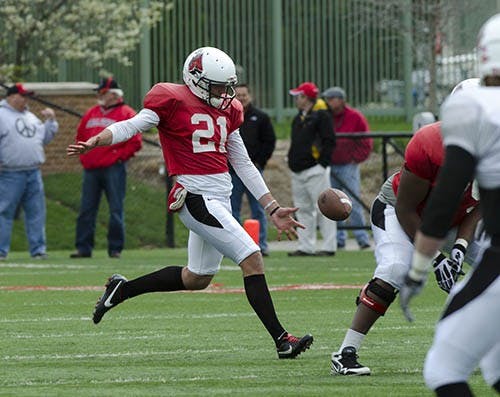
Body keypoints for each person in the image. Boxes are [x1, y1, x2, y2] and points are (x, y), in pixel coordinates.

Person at [67, 47, 313, 359]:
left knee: (197, 277)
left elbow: (244, 163)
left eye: (228, 87)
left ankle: (122, 290)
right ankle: (282, 340)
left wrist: (273, 207)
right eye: (218, 87)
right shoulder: (170, 99)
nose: (225, 94)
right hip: (195, 196)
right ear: (196, 79)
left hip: (218, 196)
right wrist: (98, 140)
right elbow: (132, 125)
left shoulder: (228, 109)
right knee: (251, 257)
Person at [330, 78, 484, 376]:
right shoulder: (430, 144)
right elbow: (405, 208)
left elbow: (478, 205)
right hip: (400, 211)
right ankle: (345, 352)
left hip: (454, 217)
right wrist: (436, 258)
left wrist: (461, 248)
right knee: (395, 270)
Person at [400, 14, 500, 396]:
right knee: (494, 365)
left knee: (444, 368)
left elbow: (444, 200)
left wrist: (419, 269)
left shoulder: (476, 107)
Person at [70, 77, 142, 259]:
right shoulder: (91, 113)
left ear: (113, 94)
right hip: (91, 169)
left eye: (102, 92)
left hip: (113, 168)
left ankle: (115, 248)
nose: (99, 96)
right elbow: (80, 136)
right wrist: (85, 159)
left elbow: (135, 142)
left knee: (115, 209)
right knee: (86, 209)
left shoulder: (127, 113)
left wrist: (117, 157)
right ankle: (83, 248)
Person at [0, 83, 58, 260]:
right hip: (10, 172)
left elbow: (44, 139)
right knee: (4, 211)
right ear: (11, 96)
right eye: (22, 96)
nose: (26, 99)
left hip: (33, 171)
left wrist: (51, 122)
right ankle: (1, 250)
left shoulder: (31, 116)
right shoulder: (1, 115)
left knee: (36, 212)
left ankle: (38, 249)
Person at [287, 81, 337, 256]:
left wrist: (322, 164)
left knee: (324, 207)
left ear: (306, 97)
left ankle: (329, 246)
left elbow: (329, 141)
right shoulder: (299, 117)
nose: (296, 100)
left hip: (314, 169)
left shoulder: (321, 116)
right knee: (302, 209)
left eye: (298, 96)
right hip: (298, 170)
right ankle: (306, 246)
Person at [323, 87, 372, 250]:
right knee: (332, 204)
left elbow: (366, 141)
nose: (329, 102)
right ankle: (339, 238)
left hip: (348, 166)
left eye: (332, 98)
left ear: (341, 100)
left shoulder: (355, 117)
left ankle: (362, 237)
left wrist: (355, 159)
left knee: (352, 201)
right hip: (330, 165)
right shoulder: (325, 116)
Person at [230, 84, 276, 256]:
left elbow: (269, 141)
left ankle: (261, 245)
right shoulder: (229, 115)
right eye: (238, 95)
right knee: (232, 210)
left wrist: (259, 162)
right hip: (232, 172)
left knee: (258, 208)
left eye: (244, 94)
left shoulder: (260, 117)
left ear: (250, 96)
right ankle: (235, 247)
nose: (241, 97)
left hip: (253, 170)